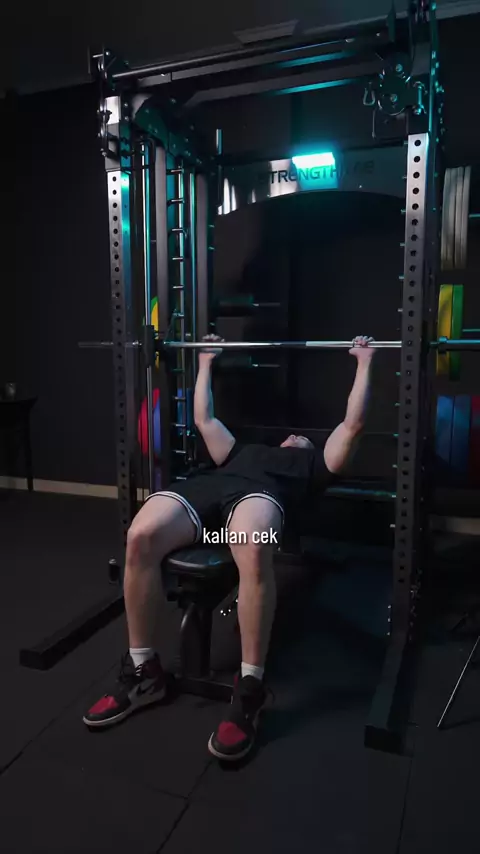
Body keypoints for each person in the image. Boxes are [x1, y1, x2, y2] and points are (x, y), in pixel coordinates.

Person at [83, 334, 376, 761]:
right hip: (207, 490)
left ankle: (250, 688)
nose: (295, 436)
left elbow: (353, 425)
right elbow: (205, 420)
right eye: (292, 435)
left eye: (302, 437)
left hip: (258, 498)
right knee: (139, 536)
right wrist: (205, 361)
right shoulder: (240, 452)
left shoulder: (314, 465)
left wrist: (364, 362)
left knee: (253, 546)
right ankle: (144, 671)